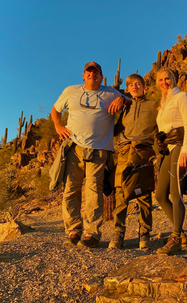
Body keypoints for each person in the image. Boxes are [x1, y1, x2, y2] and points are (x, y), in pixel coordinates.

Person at [51, 61, 128, 248]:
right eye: (89, 72)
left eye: (96, 73)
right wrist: (58, 126)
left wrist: (123, 99)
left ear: (101, 76)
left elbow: (132, 101)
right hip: (73, 147)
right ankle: (73, 229)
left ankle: (91, 233)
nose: (92, 75)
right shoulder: (71, 91)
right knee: (71, 189)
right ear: (83, 75)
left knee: (94, 191)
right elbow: (55, 110)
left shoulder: (110, 93)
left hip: (99, 148)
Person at [110, 74, 158, 250]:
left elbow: (161, 129)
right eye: (131, 85)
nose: (135, 87)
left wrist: (159, 153)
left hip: (143, 152)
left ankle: (144, 234)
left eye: (138, 84)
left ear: (144, 86)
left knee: (143, 194)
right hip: (124, 152)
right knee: (121, 194)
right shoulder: (124, 108)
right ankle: (118, 234)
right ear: (128, 89)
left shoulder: (154, 106)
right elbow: (114, 130)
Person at [154, 67, 187, 255]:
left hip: (179, 145)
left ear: (174, 79)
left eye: (167, 79)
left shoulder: (182, 97)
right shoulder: (162, 104)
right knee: (161, 195)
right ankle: (180, 231)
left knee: (175, 192)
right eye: (161, 79)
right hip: (168, 149)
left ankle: (176, 237)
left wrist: (186, 149)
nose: (164, 82)